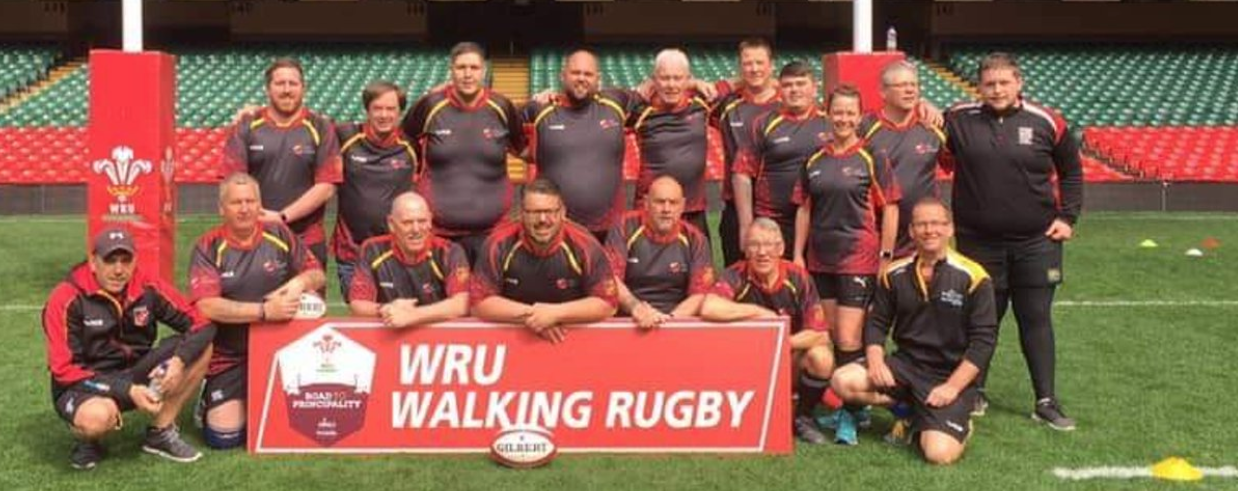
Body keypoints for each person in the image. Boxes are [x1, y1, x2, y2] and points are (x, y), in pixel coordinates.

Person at [940, 52, 1083, 429]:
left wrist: (1068, 217)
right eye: (990, 84)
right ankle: (975, 391)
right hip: (978, 244)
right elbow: (934, 154)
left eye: (1004, 82)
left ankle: (1046, 400)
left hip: (1036, 243)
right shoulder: (957, 118)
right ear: (979, 86)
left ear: (1019, 83)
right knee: (981, 321)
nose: (997, 89)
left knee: (1035, 319)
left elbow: (1071, 171)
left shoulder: (1047, 121)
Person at [831, 198, 997, 465]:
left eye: (936, 223)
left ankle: (955, 422)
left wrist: (952, 388)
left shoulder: (974, 277)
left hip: (948, 375)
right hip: (906, 367)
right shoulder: (894, 273)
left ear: (950, 229)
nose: (929, 230)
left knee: (938, 454)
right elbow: (877, 323)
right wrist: (875, 361)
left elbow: (984, 341)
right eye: (921, 224)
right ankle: (907, 410)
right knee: (843, 380)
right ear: (911, 231)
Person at [43, 227, 216, 469]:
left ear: (135, 261)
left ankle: (160, 432)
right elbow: (63, 370)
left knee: (201, 347)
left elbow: (201, 323)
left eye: (126, 260)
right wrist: (126, 390)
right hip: (83, 384)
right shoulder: (65, 297)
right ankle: (89, 440)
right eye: (110, 260)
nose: (118, 269)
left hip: (135, 371)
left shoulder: (147, 286)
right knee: (96, 418)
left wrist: (178, 361)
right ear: (93, 262)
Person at [793, 84, 901, 444]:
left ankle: (854, 417)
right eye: (837, 112)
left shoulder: (873, 156)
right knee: (833, 337)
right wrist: (797, 254)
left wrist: (885, 256)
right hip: (821, 260)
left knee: (851, 338)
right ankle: (847, 404)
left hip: (859, 259)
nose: (843, 118)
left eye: (849, 113)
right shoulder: (814, 159)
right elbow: (805, 209)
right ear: (828, 114)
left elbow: (891, 209)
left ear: (859, 115)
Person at [188, 173, 326, 449]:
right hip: (231, 355)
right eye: (236, 202)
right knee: (224, 439)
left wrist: (299, 283)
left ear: (259, 205)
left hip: (282, 349)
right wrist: (264, 312)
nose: (244, 208)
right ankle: (210, 395)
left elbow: (317, 275)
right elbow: (207, 305)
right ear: (221, 208)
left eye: (250, 201)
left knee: (305, 424)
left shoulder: (280, 234)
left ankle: (260, 395)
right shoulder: (208, 246)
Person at [700, 219, 833, 444]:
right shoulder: (735, 274)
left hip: (787, 358)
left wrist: (781, 341)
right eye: (754, 245)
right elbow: (709, 307)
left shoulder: (798, 277)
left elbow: (821, 334)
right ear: (745, 248)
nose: (762, 252)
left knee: (821, 357)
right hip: (746, 360)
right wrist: (758, 313)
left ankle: (803, 418)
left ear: (781, 248)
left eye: (769, 245)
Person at [401, 42, 525, 263]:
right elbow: (403, 140)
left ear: (484, 70)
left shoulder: (502, 106)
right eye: (461, 67)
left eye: (474, 68)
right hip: (438, 234)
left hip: (492, 233)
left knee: (485, 297)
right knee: (444, 298)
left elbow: (525, 150)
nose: (467, 74)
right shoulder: (429, 105)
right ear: (451, 70)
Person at [221, 57, 342, 270]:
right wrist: (258, 217)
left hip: (307, 240)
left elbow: (326, 187)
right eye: (280, 83)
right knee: (257, 304)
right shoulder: (246, 125)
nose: (287, 90)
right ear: (268, 88)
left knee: (307, 302)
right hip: (253, 237)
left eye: (293, 83)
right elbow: (233, 184)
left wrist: (282, 217)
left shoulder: (321, 127)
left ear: (303, 88)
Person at [470, 178, 618, 343]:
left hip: (571, 341)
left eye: (549, 212)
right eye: (534, 212)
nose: (542, 219)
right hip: (512, 341)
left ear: (562, 212)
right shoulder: (497, 244)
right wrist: (536, 316)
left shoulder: (586, 245)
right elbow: (479, 304)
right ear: (522, 214)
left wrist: (556, 314)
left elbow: (608, 304)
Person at [522, 49, 637, 243]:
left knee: (610, 275)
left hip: (610, 230)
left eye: (588, 74)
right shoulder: (539, 109)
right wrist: (529, 153)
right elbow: (504, 133)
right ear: (563, 75)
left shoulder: (616, 102)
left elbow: (658, 91)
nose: (582, 78)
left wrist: (693, 83)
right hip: (555, 230)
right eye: (576, 73)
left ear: (598, 78)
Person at [332, 81, 420, 300]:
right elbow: (308, 124)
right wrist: (253, 112)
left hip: (398, 254)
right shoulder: (345, 135)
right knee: (362, 317)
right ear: (367, 110)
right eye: (377, 108)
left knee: (398, 321)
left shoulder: (412, 145)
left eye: (390, 109)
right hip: (353, 254)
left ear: (400, 112)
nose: (384, 115)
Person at [734, 61, 830, 257]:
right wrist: (746, 225)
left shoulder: (830, 122)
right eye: (787, 85)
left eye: (801, 83)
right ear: (779, 89)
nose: (794, 90)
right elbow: (741, 173)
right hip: (774, 221)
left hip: (821, 221)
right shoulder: (763, 123)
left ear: (814, 87)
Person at [861, 61, 948, 257]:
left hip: (923, 238)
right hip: (876, 237)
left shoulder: (934, 126)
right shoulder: (865, 128)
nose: (909, 90)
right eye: (901, 85)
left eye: (913, 85)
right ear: (883, 92)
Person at [606, 176, 714, 328]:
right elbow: (611, 280)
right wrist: (637, 308)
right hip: (630, 318)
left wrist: (669, 320)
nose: (666, 209)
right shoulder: (624, 227)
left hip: (676, 320)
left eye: (673, 203)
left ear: (682, 206)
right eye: (660, 202)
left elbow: (700, 294)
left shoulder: (696, 239)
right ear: (646, 203)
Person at [348, 192, 469, 327]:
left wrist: (412, 316)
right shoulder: (372, 249)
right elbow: (357, 304)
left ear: (430, 220)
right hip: (391, 334)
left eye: (422, 221)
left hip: (439, 337)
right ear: (391, 224)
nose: (416, 229)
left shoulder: (449, 251)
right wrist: (386, 309)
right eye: (407, 222)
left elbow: (462, 303)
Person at [629, 48, 714, 238]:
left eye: (678, 78)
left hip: (693, 208)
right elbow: (597, 104)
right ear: (654, 79)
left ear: (687, 79)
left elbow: (743, 84)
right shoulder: (639, 109)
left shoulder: (702, 103)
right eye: (665, 78)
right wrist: (552, 98)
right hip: (650, 210)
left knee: (700, 267)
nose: (671, 85)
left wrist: (696, 83)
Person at [712, 38, 782, 266]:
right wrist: (733, 83)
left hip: (780, 208)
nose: (754, 69)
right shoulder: (727, 104)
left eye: (760, 62)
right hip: (735, 207)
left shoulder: (787, 103)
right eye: (747, 63)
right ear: (740, 68)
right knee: (738, 275)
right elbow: (699, 95)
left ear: (771, 64)